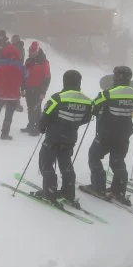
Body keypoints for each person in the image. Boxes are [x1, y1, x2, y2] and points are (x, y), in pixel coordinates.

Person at [37, 70, 93, 203]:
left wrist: (42, 127)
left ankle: (50, 191)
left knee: (46, 162)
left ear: (65, 81)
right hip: (70, 137)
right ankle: (69, 192)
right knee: (65, 163)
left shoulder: (58, 98)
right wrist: (73, 123)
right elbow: (86, 118)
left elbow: (45, 116)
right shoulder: (87, 101)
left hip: (53, 137)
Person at [87, 65, 133, 204]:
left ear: (117, 77)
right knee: (117, 161)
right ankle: (119, 190)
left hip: (107, 133)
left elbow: (93, 107)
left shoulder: (108, 93)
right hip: (124, 134)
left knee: (94, 156)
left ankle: (98, 187)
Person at [0, 43, 24, 139]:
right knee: (9, 114)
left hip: (1, 92)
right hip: (13, 94)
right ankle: (4, 133)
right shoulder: (19, 65)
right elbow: (26, 75)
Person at [22, 42, 51, 135]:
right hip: (29, 88)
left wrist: (43, 91)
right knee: (30, 108)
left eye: (33, 51)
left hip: (38, 89)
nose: (31, 53)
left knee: (37, 109)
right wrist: (22, 88)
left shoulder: (44, 62)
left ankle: (38, 128)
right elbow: (24, 75)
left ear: (37, 51)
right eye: (30, 51)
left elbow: (47, 78)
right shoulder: (28, 61)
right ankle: (30, 125)